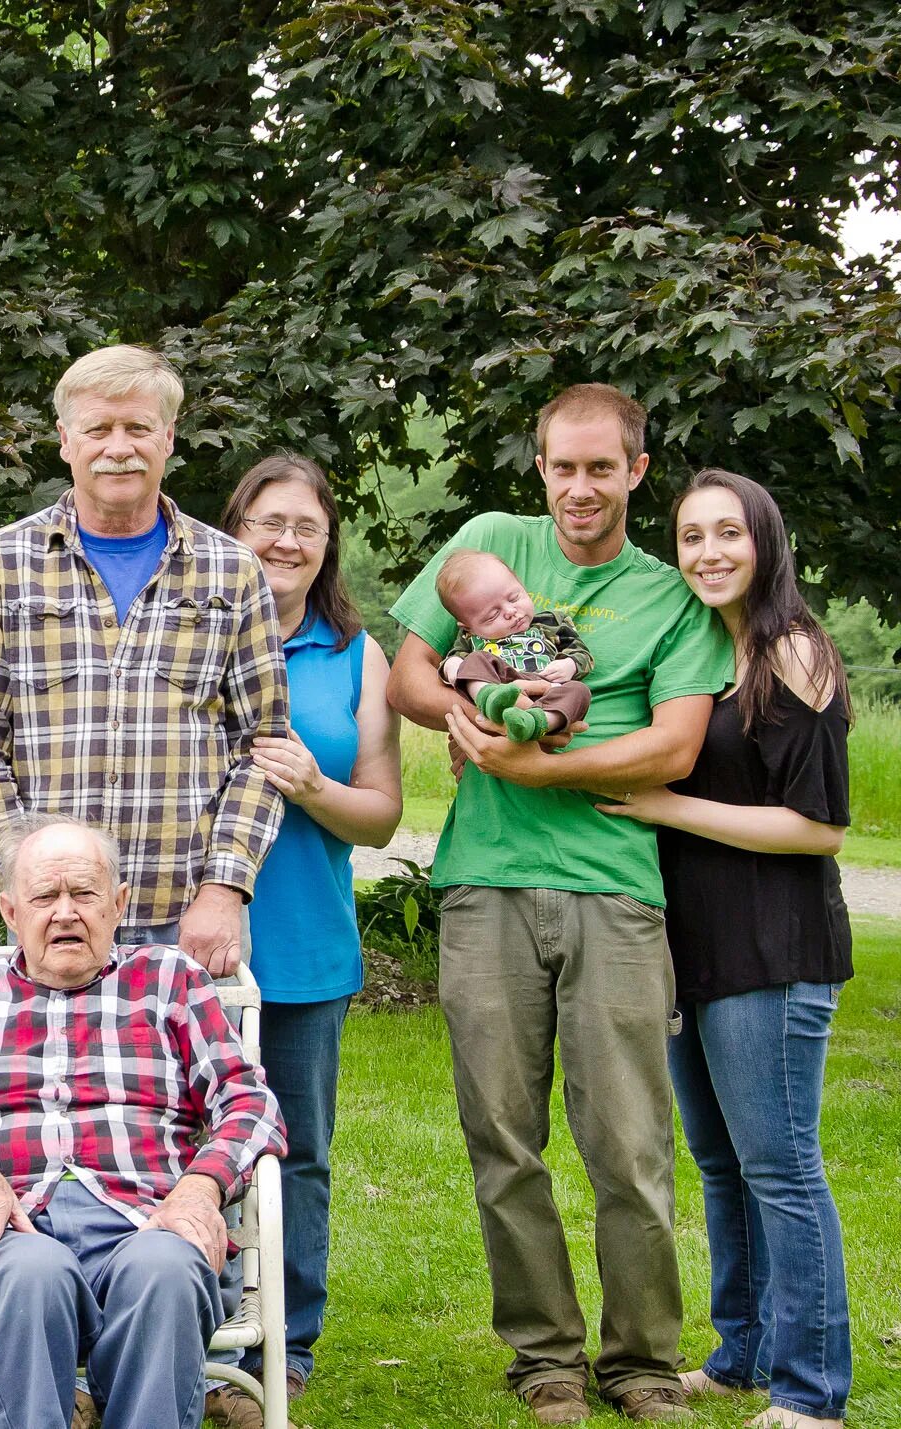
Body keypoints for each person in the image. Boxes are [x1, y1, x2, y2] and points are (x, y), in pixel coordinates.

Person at [385, 383, 733, 1425]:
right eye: (559, 466)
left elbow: (673, 745)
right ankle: (541, 1357)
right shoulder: (489, 544)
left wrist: (534, 771)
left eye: (598, 467)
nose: (577, 487)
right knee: (501, 1134)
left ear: (634, 469)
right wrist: (467, 715)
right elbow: (407, 673)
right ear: (538, 466)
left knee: (626, 1142)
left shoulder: (668, 597)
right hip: (484, 884)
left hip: (615, 889)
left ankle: (639, 1363)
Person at [0, 815, 287, 1429]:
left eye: (85, 893)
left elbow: (249, 1100)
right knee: (33, 1273)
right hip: (11, 1229)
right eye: (45, 896)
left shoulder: (169, 980)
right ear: (11, 913)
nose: (65, 913)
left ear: (118, 903)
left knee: (167, 1272)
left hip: (148, 1220)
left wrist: (202, 1188)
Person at [598, 469, 854, 1429]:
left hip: (774, 951)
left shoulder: (793, 649)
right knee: (720, 1162)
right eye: (692, 535)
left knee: (781, 1166)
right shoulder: (705, 644)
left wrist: (668, 807)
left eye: (728, 534)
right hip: (691, 948)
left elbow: (821, 825)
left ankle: (812, 1391)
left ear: (766, 542)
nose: (708, 552)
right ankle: (743, 1353)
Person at [0, 343, 287, 968]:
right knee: (47, 1071)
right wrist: (21, 886)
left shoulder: (230, 570)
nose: (118, 446)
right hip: (50, 918)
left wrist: (223, 890)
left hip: (188, 916)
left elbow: (261, 747)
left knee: (200, 1071)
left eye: (137, 428)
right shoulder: (2, 563)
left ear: (169, 437)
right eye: (98, 429)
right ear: (65, 440)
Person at [218, 454, 402, 1411]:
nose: (285, 541)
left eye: (306, 527)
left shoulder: (356, 653)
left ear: (327, 544)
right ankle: (190, 1324)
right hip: (189, 937)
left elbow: (380, 815)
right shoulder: (191, 631)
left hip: (305, 938)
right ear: (234, 527)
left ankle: (284, 1342)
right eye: (267, 521)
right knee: (175, 1143)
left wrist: (314, 786)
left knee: (294, 1154)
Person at [435, 548, 595, 741]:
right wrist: (452, 666)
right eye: (492, 615)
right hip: (501, 687)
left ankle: (538, 723)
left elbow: (583, 654)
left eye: (514, 598)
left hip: (547, 686)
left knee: (579, 691)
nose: (511, 611)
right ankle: (488, 698)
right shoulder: (471, 639)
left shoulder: (551, 624)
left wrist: (570, 664)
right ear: (469, 627)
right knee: (474, 660)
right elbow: (453, 663)